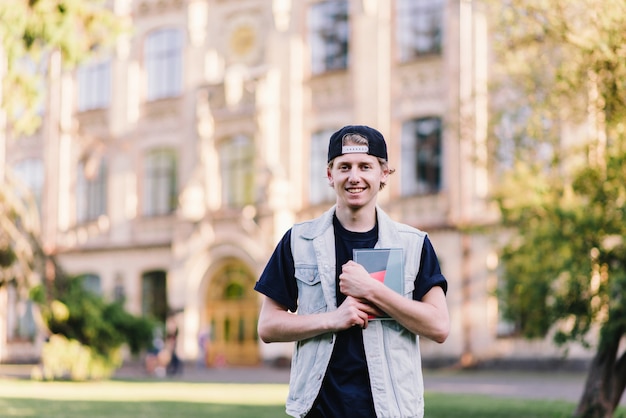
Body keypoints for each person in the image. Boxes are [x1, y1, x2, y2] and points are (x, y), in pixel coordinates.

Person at [254, 125, 450, 418]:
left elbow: (439, 327)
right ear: (330, 174)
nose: (354, 176)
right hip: (317, 409)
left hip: (390, 411)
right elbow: (268, 326)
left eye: (365, 166)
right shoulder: (298, 241)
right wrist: (333, 319)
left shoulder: (414, 244)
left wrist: (372, 290)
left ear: (383, 173)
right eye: (344, 166)